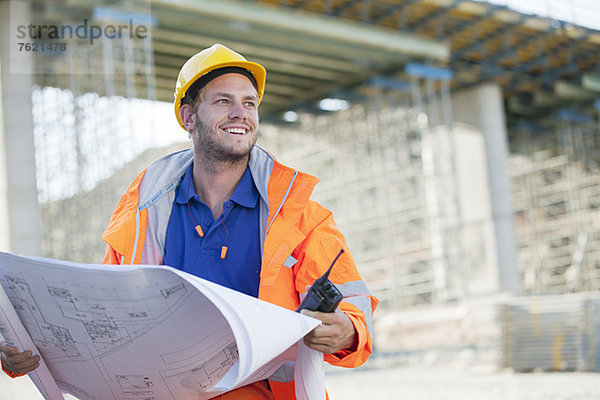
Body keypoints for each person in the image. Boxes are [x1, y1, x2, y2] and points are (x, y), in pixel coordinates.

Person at [1, 43, 378, 399]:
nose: (240, 113)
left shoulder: (300, 215)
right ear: (188, 116)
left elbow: (353, 301)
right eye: (223, 101)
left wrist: (348, 330)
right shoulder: (141, 214)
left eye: (249, 103)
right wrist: (22, 347)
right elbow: (101, 325)